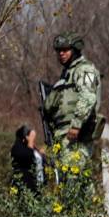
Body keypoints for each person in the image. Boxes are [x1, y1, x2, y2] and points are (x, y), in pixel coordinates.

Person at [41, 31, 103, 181]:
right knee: (68, 179)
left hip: (76, 134)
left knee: (72, 179)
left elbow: (88, 97)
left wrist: (76, 125)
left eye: (65, 50)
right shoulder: (67, 73)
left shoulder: (84, 69)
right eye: (58, 51)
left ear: (75, 49)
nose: (61, 54)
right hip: (64, 134)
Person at [9, 124, 42, 195]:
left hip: (37, 187)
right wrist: (31, 141)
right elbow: (28, 156)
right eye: (28, 135)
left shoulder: (31, 147)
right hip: (24, 189)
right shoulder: (17, 148)